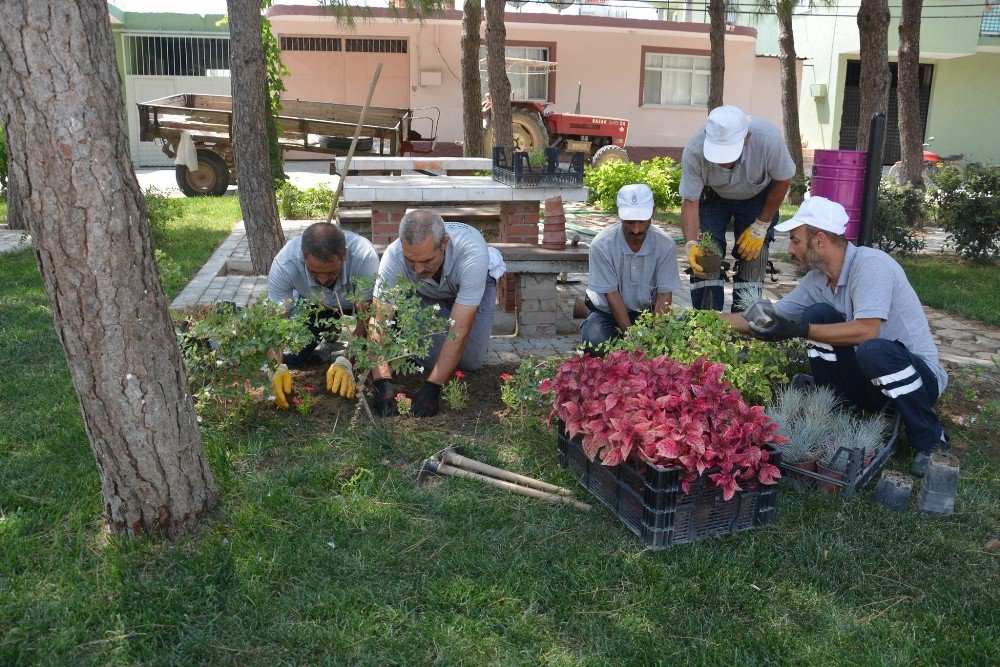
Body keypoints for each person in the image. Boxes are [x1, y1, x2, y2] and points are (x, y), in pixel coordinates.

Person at [721, 196, 949, 476]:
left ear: (819, 241)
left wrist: (799, 330)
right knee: (817, 314)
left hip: (919, 380)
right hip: (873, 381)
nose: (790, 249)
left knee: (872, 349)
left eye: (795, 240)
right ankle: (842, 413)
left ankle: (930, 440)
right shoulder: (817, 280)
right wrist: (704, 320)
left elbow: (867, 331)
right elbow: (772, 318)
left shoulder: (871, 265)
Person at [370, 210, 503, 418]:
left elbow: (459, 329)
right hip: (425, 294)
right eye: (410, 261)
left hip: (472, 283)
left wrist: (433, 386)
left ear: (445, 243)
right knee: (433, 358)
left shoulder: (472, 253)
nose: (418, 269)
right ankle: (412, 343)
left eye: (426, 260)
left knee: (471, 362)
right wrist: (382, 380)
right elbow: (378, 321)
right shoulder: (394, 256)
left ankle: (419, 344)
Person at [680, 105, 796, 312]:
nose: (724, 161)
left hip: (758, 196)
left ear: (747, 138)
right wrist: (690, 243)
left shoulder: (768, 139)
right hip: (714, 196)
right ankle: (707, 322)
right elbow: (690, 202)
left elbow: (783, 179)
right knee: (706, 253)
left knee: (755, 253)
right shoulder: (695, 149)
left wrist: (761, 225)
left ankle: (745, 318)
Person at [266, 222, 380, 408]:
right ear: (304, 257)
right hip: (313, 306)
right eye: (314, 272)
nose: (322, 279)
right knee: (292, 357)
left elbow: (366, 317)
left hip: (353, 304)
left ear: (344, 255)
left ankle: (333, 329)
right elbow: (276, 322)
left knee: (368, 346)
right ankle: (327, 327)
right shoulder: (285, 262)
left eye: (330, 272)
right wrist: (275, 368)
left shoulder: (364, 256)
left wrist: (346, 360)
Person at [581, 183, 682, 350]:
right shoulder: (601, 245)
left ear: (653, 212)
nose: (636, 230)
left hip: (646, 313)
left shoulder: (665, 245)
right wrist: (632, 338)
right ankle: (591, 315)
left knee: (669, 346)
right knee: (595, 343)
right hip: (607, 312)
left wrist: (656, 337)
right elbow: (612, 295)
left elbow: (664, 295)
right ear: (619, 215)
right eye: (629, 222)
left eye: (642, 221)